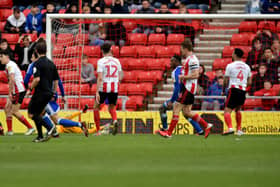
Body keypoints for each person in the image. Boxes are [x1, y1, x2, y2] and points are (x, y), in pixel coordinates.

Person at [157, 39, 213, 138]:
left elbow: (196, 75)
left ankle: (168, 133)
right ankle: (206, 125)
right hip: (187, 88)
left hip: (188, 88)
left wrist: (183, 77)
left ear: (185, 48)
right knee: (187, 112)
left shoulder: (192, 60)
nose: (181, 51)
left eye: (181, 49)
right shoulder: (189, 59)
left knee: (176, 107)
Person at [24, 51, 89, 137]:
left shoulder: (34, 65)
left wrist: (29, 88)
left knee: (55, 119)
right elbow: (58, 81)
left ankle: (77, 125)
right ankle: (53, 131)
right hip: (50, 94)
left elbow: (26, 80)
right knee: (41, 113)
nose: (31, 59)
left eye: (32, 57)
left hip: (44, 95)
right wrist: (62, 95)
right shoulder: (50, 65)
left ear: (36, 57)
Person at [158, 55, 204, 135]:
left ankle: (165, 129)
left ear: (176, 62)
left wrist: (172, 100)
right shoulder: (183, 69)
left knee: (163, 108)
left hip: (182, 94)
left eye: (171, 61)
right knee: (186, 113)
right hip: (188, 92)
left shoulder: (176, 71)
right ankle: (200, 130)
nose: (170, 63)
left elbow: (177, 88)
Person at [25, 40, 59, 142]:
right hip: (48, 93)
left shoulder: (37, 63)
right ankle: (46, 131)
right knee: (38, 114)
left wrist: (30, 88)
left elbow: (37, 79)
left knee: (32, 114)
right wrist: (53, 92)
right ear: (46, 50)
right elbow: (56, 80)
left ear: (36, 51)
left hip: (40, 93)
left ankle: (46, 131)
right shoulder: (51, 63)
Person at [0, 50, 35, 136]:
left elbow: (11, 79)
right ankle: (10, 131)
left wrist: (10, 93)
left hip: (18, 90)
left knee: (14, 111)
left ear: (7, 56)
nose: (0, 59)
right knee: (7, 108)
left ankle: (30, 127)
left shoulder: (10, 65)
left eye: (1, 56)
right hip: (17, 90)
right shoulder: (9, 65)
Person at [93, 43, 123, 135]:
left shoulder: (101, 62)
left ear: (102, 51)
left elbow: (100, 78)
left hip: (104, 87)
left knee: (96, 107)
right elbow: (121, 75)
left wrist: (97, 91)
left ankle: (98, 131)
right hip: (114, 87)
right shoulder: (117, 61)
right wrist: (117, 82)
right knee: (112, 108)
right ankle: (114, 120)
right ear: (111, 50)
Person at [223, 48, 252, 136]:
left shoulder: (230, 66)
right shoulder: (247, 67)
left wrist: (224, 89)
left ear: (235, 54)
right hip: (242, 90)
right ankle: (239, 129)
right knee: (238, 110)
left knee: (227, 111)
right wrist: (242, 85)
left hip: (233, 89)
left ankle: (230, 128)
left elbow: (225, 80)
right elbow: (250, 82)